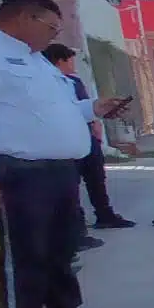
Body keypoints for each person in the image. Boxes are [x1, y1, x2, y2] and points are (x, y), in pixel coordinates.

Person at [0, 0, 130, 308]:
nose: (54, 35)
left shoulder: (37, 62)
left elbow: (54, 110)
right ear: (24, 18)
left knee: (61, 252)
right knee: (27, 259)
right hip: (19, 173)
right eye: (51, 27)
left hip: (58, 172)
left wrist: (93, 108)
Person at [42, 44, 136, 248]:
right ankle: (76, 230)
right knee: (70, 186)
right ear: (60, 61)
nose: (73, 64)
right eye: (70, 60)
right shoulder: (46, 82)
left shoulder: (73, 81)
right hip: (65, 140)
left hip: (86, 135)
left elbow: (84, 106)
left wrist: (97, 118)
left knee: (96, 178)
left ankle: (105, 214)